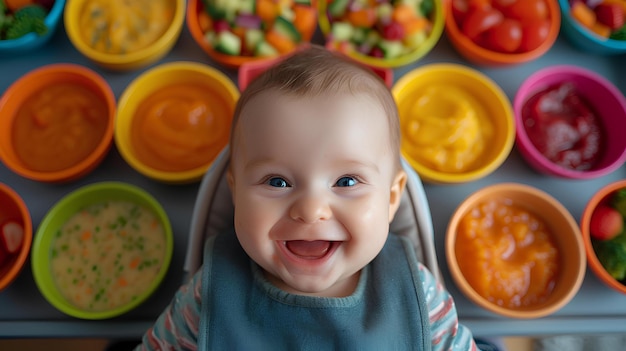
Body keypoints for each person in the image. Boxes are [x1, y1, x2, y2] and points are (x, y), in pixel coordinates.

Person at [134, 45, 478, 351]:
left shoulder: (417, 295)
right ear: (235, 192)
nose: (311, 210)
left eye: (346, 181)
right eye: (278, 182)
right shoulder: (205, 297)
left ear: (391, 199)